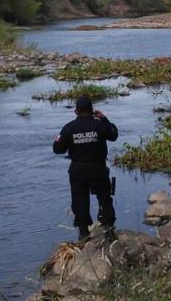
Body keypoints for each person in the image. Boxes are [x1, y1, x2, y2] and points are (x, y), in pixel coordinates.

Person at [52, 96, 119, 242]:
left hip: (78, 170)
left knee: (79, 201)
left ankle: (83, 234)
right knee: (104, 199)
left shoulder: (69, 128)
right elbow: (114, 134)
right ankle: (108, 229)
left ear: (76, 111)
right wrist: (105, 119)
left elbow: (57, 149)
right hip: (98, 168)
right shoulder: (100, 125)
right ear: (92, 110)